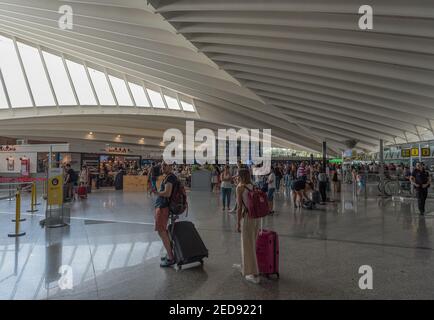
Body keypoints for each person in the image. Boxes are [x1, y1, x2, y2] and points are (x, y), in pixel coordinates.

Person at [236, 168, 260, 284]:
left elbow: (239, 207)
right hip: (256, 218)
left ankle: (253, 273)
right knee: (252, 243)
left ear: (240, 176)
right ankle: (245, 266)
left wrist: (237, 223)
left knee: (247, 245)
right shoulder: (253, 186)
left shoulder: (240, 188)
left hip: (247, 218)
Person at [155, 162, 177, 267]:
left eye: (165, 165)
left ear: (171, 166)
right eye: (162, 166)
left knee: (161, 231)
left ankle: (171, 257)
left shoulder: (170, 178)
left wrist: (156, 192)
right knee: (164, 231)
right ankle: (170, 254)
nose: (163, 167)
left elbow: (167, 193)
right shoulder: (168, 177)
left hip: (163, 207)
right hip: (162, 206)